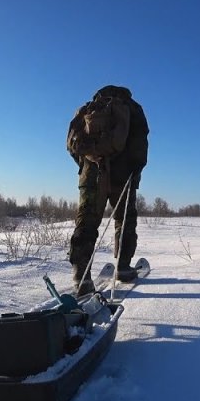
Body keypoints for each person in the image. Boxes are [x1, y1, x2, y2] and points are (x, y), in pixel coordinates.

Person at [66, 85, 149, 295]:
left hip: (91, 173)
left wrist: (86, 166)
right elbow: (140, 145)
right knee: (125, 219)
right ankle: (123, 267)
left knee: (86, 221)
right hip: (123, 174)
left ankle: (81, 276)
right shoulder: (132, 108)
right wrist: (135, 169)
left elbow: (72, 146)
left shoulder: (87, 109)